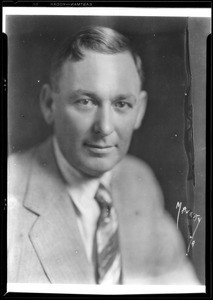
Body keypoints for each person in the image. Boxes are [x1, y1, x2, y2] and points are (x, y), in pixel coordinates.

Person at [8, 25, 199, 285]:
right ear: (49, 105)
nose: (105, 127)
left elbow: (183, 285)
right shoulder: (11, 194)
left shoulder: (139, 180)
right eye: (86, 101)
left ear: (139, 110)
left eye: (121, 104)